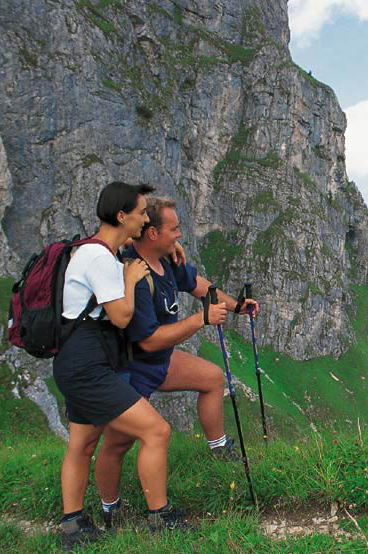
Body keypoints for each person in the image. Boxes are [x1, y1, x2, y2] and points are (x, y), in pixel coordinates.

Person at [93, 196, 259, 528]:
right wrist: (202, 321)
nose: (179, 235)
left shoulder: (167, 260)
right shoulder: (134, 275)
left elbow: (201, 287)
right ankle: (111, 509)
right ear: (152, 233)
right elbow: (148, 339)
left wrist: (237, 306)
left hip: (158, 362)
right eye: (174, 228)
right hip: (131, 370)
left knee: (212, 378)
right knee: (118, 442)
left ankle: (219, 448)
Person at [53, 182, 190, 550]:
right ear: (122, 216)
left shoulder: (99, 249)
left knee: (82, 444)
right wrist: (130, 280)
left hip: (76, 361)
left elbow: (133, 244)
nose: (145, 219)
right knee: (156, 431)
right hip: (88, 366)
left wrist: (170, 244)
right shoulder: (100, 259)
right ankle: (160, 517)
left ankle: (73, 526)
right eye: (141, 213)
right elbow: (120, 316)